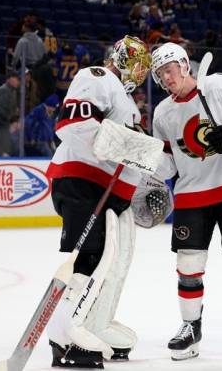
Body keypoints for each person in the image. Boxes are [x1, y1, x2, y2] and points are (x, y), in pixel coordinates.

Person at [150, 42, 222, 362]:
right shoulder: (162, 113)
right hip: (191, 194)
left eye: (169, 68)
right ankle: (190, 328)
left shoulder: (221, 85)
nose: (166, 77)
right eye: (160, 73)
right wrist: (143, 157)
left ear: (184, 64)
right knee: (189, 264)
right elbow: (168, 165)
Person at [45, 36, 153, 368]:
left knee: (107, 262)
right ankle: (63, 338)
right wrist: (130, 148)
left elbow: (127, 152)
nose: (141, 73)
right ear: (121, 59)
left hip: (105, 192)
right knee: (88, 258)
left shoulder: (127, 102)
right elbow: (73, 124)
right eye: (136, 64)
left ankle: (90, 325)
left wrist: (146, 181)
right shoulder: (98, 77)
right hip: (82, 183)